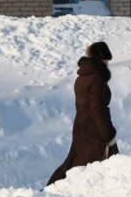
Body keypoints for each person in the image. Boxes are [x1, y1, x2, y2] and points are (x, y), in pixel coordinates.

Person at [46, 42, 118, 186]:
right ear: (100, 59)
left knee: (75, 161)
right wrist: (107, 134)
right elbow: (97, 108)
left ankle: (55, 186)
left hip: (81, 126)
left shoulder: (82, 77)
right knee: (106, 163)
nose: (108, 63)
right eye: (106, 60)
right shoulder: (97, 80)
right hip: (94, 129)